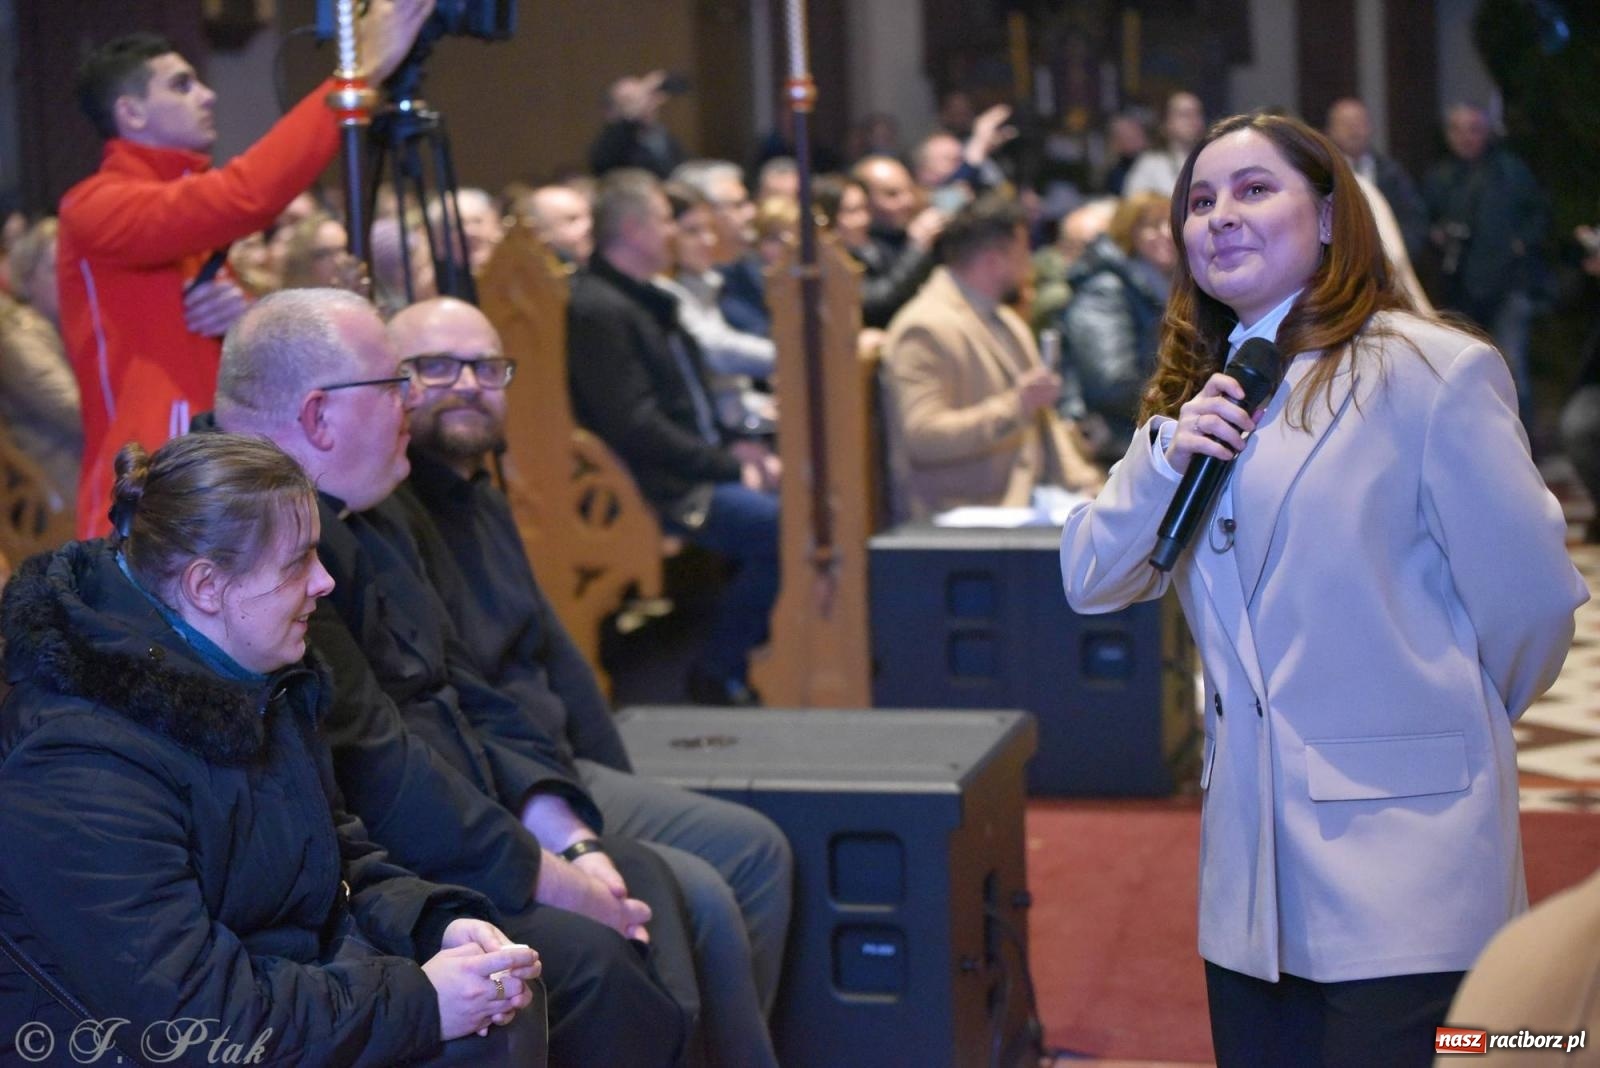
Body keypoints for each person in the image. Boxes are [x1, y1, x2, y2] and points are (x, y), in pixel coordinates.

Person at [1059, 113, 1586, 1067]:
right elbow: (1093, 578)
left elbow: (1533, 601)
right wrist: (1167, 456)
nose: (1221, 215)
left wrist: (1442, 720)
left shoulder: (1428, 370)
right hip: (1250, 882)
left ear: (1332, 217)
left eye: (1255, 189)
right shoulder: (1202, 392)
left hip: (1407, 857)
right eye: (1200, 200)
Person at [210, 289, 694, 1068]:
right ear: (318, 417)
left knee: (644, 881)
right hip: (375, 870)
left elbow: (470, 688)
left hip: (460, 826)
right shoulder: (248, 539)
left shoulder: (371, 504)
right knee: (589, 962)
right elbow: (377, 765)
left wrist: (567, 841)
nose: (411, 400)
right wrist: (544, 878)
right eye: (393, 382)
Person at [0, 433, 543, 1066]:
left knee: (506, 1007)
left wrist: (433, 926)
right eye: (298, 562)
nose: (325, 581)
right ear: (206, 586)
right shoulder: (77, 764)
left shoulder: (249, 670)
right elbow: (197, 1020)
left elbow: (334, 863)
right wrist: (420, 1001)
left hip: (279, 999)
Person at [392, 295, 795, 1068]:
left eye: (485, 367)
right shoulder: (395, 518)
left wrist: (605, 780)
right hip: (505, 784)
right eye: (436, 366)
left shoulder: (482, 496)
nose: (467, 384)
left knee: (757, 851)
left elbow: (555, 657)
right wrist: (574, 825)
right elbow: (456, 702)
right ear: (392, 386)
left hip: (556, 764)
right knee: (706, 890)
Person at [57, 1, 433, 539]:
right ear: (132, 112)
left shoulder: (176, 209)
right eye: (182, 86)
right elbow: (245, 196)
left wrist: (244, 314)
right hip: (144, 490)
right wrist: (356, 75)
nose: (207, 95)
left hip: (211, 472)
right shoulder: (94, 205)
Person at [567, 169, 780, 706]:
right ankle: (719, 670)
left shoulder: (647, 298)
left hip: (690, 466)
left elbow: (691, 399)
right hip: (660, 487)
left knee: (805, 498)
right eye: (665, 220)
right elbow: (634, 424)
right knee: (782, 529)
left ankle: (768, 658)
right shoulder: (598, 308)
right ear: (634, 229)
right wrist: (727, 466)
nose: (673, 233)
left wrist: (736, 445)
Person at [880, 194, 1102, 521]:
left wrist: (1089, 486)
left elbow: (1044, 423)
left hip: (1023, 499)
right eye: (1023, 252)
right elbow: (922, 438)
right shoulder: (924, 327)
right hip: (958, 514)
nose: (1029, 265)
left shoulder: (1007, 320)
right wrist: (1016, 405)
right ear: (995, 259)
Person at [1421, 104, 1549, 430]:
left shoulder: (1510, 171)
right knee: (1465, 370)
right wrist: (1437, 234)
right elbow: (1425, 220)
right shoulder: (1439, 176)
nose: (1466, 137)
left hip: (1509, 284)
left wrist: (1520, 244)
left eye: (1474, 129)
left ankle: (1523, 443)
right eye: (1458, 130)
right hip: (1461, 289)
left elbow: (1539, 213)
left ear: (1487, 132)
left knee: (1512, 366)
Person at [1058, 192, 1176, 461]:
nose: (1165, 233)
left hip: (1143, 433)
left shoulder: (1164, 287)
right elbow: (1111, 383)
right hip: (1113, 441)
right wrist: (1178, 401)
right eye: (1152, 225)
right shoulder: (1106, 288)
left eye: (1171, 223)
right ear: (1128, 232)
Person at [1122, 91, 1205, 196]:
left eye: (1197, 113)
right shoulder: (1150, 163)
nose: (1193, 120)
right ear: (1167, 123)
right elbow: (1134, 201)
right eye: (1184, 115)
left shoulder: (1210, 159)